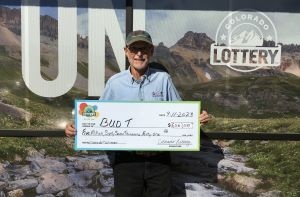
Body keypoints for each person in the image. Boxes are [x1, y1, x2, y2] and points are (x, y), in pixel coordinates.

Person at [65, 30, 209, 197]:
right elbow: (97, 117)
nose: (139, 54)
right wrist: (75, 127)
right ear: (126, 51)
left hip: (159, 162)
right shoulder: (115, 83)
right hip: (126, 163)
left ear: (151, 51)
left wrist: (197, 119)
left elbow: (180, 114)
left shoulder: (163, 80)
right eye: (134, 49)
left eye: (144, 49)